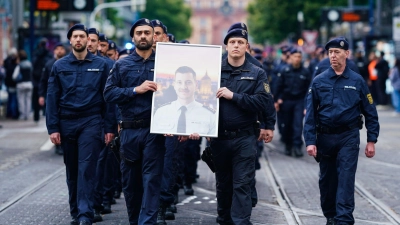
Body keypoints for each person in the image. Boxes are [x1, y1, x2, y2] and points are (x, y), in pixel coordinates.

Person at [304, 37, 380, 225]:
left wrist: (372, 140)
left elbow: (370, 111)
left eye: (337, 52)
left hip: (348, 137)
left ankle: (344, 219)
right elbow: (310, 114)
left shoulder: (357, 81)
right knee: (327, 181)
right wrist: (310, 141)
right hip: (325, 138)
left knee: (346, 179)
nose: (333, 56)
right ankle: (330, 215)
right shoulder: (319, 81)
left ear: (347, 54)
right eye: (330, 52)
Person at [46, 24, 115, 225]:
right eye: (74, 36)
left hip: (91, 121)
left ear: (87, 40)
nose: (78, 40)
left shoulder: (101, 65)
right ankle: (76, 211)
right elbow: (52, 98)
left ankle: (86, 214)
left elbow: (108, 98)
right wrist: (53, 128)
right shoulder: (59, 66)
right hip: (67, 121)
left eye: (82, 36)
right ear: (70, 41)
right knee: (72, 169)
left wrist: (109, 127)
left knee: (87, 167)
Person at [103, 18, 167, 225]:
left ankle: (147, 222)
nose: (143, 36)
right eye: (139, 33)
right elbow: (109, 93)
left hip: (154, 130)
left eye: (147, 33)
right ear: (133, 37)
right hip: (129, 131)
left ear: (154, 36)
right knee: (131, 183)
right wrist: (134, 90)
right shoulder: (122, 64)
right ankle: (135, 221)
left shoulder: (165, 64)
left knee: (151, 180)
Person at [211, 27, 270, 225]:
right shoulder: (212, 71)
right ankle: (224, 219)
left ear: (247, 46)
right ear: (226, 46)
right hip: (219, 137)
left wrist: (234, 96)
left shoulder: (257, 73)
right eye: (232, 42)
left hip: (244, 137)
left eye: (240, 42)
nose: (236, 45)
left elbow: (262, 102)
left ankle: (241, 221)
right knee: (223, 183)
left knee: (242, 183)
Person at [152, 66, 216, 136]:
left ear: (196, 85)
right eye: (179, 82)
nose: (184, 87)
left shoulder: (210, 115)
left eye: (188, 82)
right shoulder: (160, 112)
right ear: (174, 85)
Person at [273, 48, 312, 157]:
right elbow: (278, 86)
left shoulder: (305, 72)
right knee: (287, 125)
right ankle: (288, 145)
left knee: (298, 125)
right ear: (290, 58)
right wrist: (276, 100)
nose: (297, 59)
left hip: (299, 101)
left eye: (299, 57)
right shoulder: (285, 71)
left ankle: (297, 146)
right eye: (295, 57)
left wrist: (307, 104)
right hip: (286, 101)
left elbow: (308, 89)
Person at [39, 43, 66, 155]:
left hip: (64, 97)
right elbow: (43, 81)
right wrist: (41, 95)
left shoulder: (68, 63)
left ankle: (62, 143)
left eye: (61, 49)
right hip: (52, 96)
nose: (59, 51)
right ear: (54, 51)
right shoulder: (49, 64)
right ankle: (57, 144)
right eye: (57, 49)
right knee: (54, 119)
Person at [32, 38, 52, 123]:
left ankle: (36, 116)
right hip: (45, 78)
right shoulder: (48, 54)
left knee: (37, 98)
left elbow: (33, 64)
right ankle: (45, 113)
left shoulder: (36, 53)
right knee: (47, 97)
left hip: (36, 79)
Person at [13, 50, 33, 121]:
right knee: (28, 100)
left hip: (21, 84)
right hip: (29, 83)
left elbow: (14, 76)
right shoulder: (29, 64)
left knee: (21, 100)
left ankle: (22, 115)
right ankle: (28, 114)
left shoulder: (19, 65)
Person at [3, 48, 19, 119]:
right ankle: (14, 113)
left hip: (8, 83)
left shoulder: (6, 62)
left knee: (10, 98)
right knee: (13, 99)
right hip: (13, 83)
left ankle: (9, 113)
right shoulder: (15, 65)